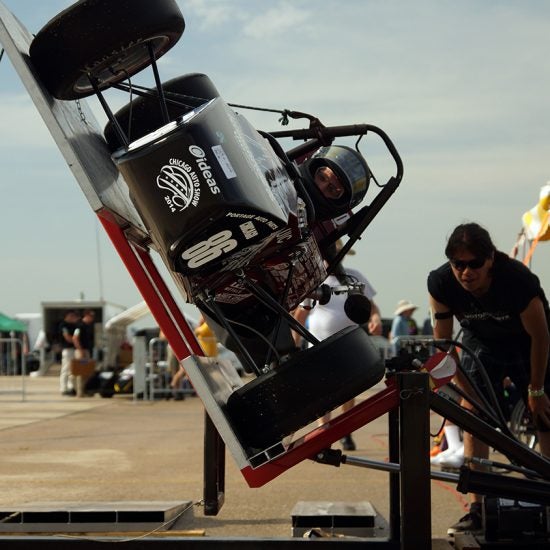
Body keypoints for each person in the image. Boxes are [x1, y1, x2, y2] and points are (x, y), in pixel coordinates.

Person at [428, 222, 550, 535]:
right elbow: (445, 346)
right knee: (473, 420)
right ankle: (479, 507)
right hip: (481, 340)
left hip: (527, 342)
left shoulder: (517, 281)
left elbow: (541, 336)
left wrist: (536, 391)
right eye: (458, 265)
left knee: (545, 416)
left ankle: (547, 494)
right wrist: (471, 397)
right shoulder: (441, 282)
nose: (466, 273)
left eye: (474, 265)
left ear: (490, 260)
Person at [294, 240, 382, 451]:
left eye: (334, 253)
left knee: (348, 391)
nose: (330, 257)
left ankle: (345, 431)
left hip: (348, 343)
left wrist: (376, 318)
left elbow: (371, 305)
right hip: (319, 344)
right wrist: (293, 344)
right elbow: (300, 314)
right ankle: (324, 433)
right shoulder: (313, 281)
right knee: (323, 391)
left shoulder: (354, 277)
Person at [58, 309, 79, 396]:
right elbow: (67, 337)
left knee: (72, 370)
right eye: (72, 316)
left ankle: (71, 387)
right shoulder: (63, 325)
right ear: (67, 316)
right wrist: (75, 341)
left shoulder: (74, 325)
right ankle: (63, 388)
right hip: (67, 349)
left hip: (73, 349)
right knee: (66, 369)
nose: (73, 318)